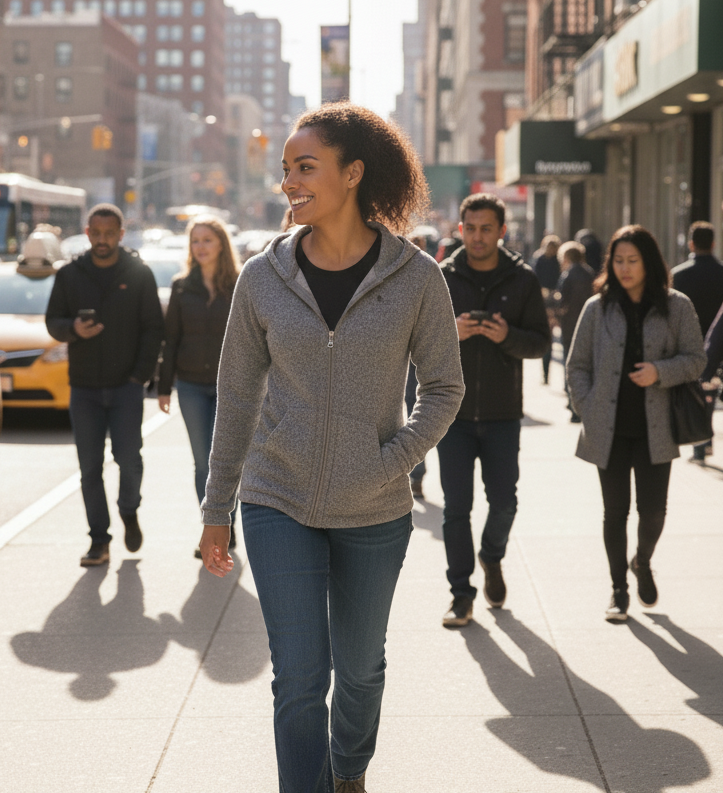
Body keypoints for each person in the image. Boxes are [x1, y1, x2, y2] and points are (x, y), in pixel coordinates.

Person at [199, 103, 464, 793]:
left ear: (353, 174)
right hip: (276, 496)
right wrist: (217, 508)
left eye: (305, 167)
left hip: (373, 506)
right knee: (298, 677)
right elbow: (236, 396)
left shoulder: (416, 277)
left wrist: (390, 461)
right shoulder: (263, 276)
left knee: (361, 668)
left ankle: (349, 769)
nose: (289, 180)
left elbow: (443, 387)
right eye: (286, 168)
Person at [566, 226, 705, 622]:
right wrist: (587, 407)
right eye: (618, 261)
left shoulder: (677, 306)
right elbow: (577, 366)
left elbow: (696, 360)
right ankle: (618, 590)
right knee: (615, 512)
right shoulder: (597, 308)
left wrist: (660, 371)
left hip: (656, 428)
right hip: (607, 428)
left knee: (654, 512)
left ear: (649, 263)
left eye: (633, 261)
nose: (624, 269)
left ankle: (642, 561)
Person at [438, 193, 550, 628]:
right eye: (470, 228)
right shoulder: (443, 277)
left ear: (502, 231)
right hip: (453, 415)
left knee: (504, 503)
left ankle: (491, 555)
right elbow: (414, 342)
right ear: (460, 229)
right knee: (455, 509)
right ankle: (461, 595)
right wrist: (452, 333)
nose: (477, 237)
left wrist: (508, 337)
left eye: (486, 229)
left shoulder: (523, 280)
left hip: (503, 415)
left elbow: (540, 343)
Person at [45, 203, 165, 567]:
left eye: (109, 234)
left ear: (120, 235)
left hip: (127, 386)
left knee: (129, 460)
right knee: (89, 468)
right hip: (84, 388)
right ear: (87, 233)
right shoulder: (70, 274)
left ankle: (128, 509)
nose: (102, 240)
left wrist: (140, 376)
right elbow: (53, 321)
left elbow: (154, 328)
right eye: (95, 233)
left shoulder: (138, 273)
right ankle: (99, 540)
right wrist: (72, 330)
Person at [157, 216, 241, 553]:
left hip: (230, 386)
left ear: (221, 244)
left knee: (227, 461)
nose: (200, 247)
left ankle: (226, 527)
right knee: (202, 462)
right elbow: (171, 339)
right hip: (190, 385)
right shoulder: (181, 286)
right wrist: (163, 386)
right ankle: (211, 529)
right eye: (195, 241)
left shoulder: (239, 283)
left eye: (207, 240)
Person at [671, 221, 723, 461]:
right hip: (718, 342)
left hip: (689, 342)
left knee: (695, 391)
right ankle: (704, 440)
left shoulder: (679, 275)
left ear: (691, 244)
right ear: (713, 244)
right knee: (712, 388)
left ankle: (700, 442)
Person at [555, 241, 596, 420]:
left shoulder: (568, 275)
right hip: (588, 324)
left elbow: (562, 302)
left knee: (571, 364)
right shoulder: (589, 273)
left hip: (570, 325)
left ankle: (574, 406)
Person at [531, 234, 561, 383]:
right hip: (542, 299)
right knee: (546, 334)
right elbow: (534, 278)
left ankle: (547, 373)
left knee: (551, 336)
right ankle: (545, 373)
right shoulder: (539, 259)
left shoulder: (558, 260)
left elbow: (560, 278)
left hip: (555, 300)